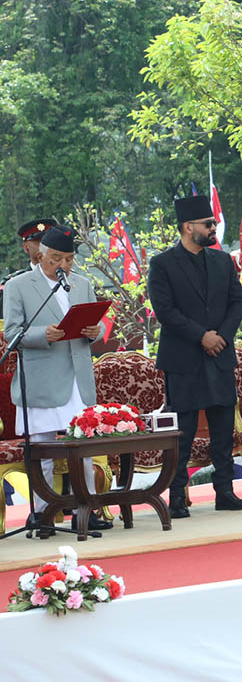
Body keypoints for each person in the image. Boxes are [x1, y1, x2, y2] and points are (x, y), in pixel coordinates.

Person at [148, 195, 242, 518]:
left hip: (220, 355)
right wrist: (201, 336)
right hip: (184, 359)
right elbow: (165, 311)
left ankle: (225, 491)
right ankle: (177, 497)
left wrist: (221, 336)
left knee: (223, 428)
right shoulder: (162, 264)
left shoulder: (222, 262)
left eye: (213, 224)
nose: (212, 229)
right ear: (188, 227)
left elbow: (238, 303)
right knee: (184, 431)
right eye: (208, 224)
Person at [3, 224, 107, 536]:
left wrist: (95, 332)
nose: (63, 265)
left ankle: (85, 511)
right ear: (42, 256)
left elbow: (96, 327)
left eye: (69, 259)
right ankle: (43, 515)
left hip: (77, 378)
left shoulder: (82, 283)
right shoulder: (19, 286)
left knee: (83, 450)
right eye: (56, 259)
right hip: (42, 379)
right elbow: (12, 334)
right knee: (43, 453)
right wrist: (42, 335)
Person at [1, 218, 57, 310]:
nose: (46, 246)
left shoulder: (70, 279)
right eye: (39, 241)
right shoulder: (13, 285)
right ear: (26, 247)